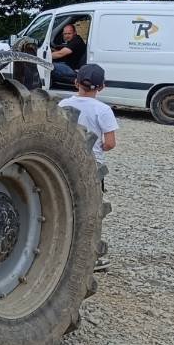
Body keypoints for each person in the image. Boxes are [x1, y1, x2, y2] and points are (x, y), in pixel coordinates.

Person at [59, 62, 117, 271]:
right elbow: (110, 142)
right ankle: (90, 258)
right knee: (90, 212)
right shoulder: (103, 110)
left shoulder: (63, 104)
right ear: (102, 87)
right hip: (92, 166)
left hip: (66, 161)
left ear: (76, 82)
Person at [49, 19, 87, 84]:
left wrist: (45, 56)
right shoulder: (73, 40)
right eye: (65, 34)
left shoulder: (76, 41)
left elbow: (60, 54)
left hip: (73, 69)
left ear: (75, 33)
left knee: (48, 66)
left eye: (69, 33)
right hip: (68, 65)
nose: (67, 36)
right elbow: (63, 50)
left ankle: (73, 81)